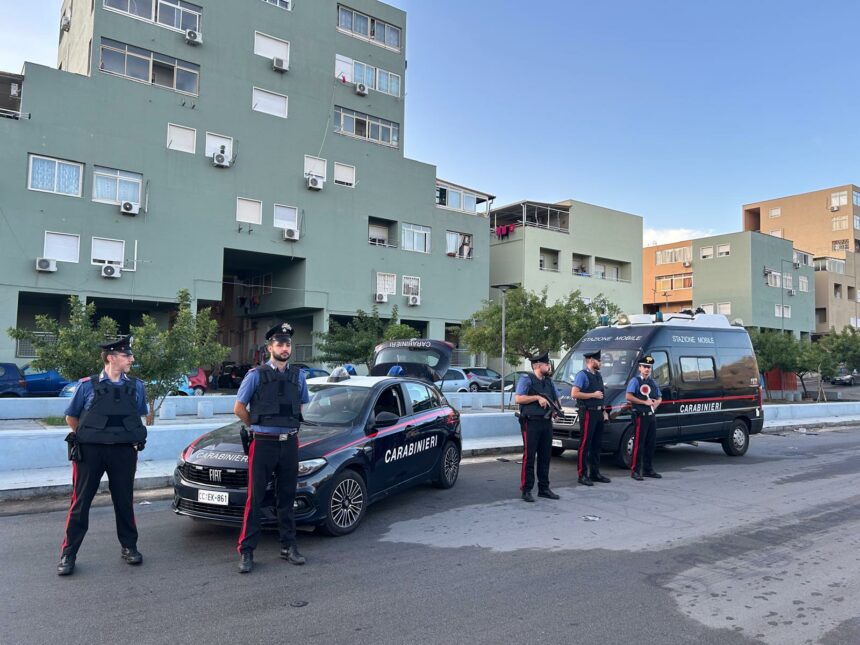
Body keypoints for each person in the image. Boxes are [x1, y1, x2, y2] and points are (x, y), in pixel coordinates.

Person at [56, 337, 148, 576]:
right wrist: (91, 436)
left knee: (124, 500)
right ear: (111, 357)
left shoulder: (137, 386)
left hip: (123, 452)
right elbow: (71, 417)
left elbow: (137, 415)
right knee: (81, 502)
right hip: (90, 452)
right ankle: (69, 553)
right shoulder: (87, 385)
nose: (132, 359)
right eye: (127, 356)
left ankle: (129, 546)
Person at [234, 322, 310, 574]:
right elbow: (239, 408)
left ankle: (289, 546)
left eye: (288, 344)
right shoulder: (255, 375)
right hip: (263, 444)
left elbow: (300, 407)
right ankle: (246, 551)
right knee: (255, 499)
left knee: (287, 498)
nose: (285, 348)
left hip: (288, 443)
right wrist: (255, 426)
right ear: (270, 347)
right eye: (280, 344)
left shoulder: (298, 376)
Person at [514, 351, 562, 502]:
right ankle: (526, 489)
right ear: (538, 365)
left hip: (546, 422)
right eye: (547, 364)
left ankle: (544, 488)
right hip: (531, 422)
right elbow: (518, 398)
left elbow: (556, 399)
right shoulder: (526, 379)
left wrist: (556, 411)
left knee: (545, 456)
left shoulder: (549, 381)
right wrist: (537, 397)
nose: (549, 366)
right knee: (529, 456)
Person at [570, 350, 611, 486]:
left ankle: (595, 473)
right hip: (587, 412)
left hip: (599, 413)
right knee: (585, 444)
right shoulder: (582, 375)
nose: (601, 363)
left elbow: (602, 395)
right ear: (592, 360)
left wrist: (604, 411)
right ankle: (582, 475)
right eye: (599, 360)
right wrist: (592, 395)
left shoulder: (598, 375)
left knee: (597, 444)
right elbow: (574, 393)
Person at [625, 355, 663, 480]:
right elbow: (629, 397)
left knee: (651, 444)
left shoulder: (652, 382)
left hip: (651, 416)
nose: (647, 369)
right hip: (640, 416)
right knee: (638, 444)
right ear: (640, 368)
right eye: (645, 367)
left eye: (649, 367)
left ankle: (648, 469)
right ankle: (635, 471)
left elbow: (659, 397)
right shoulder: (635, 381)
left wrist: (655, 403)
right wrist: (644, 402)